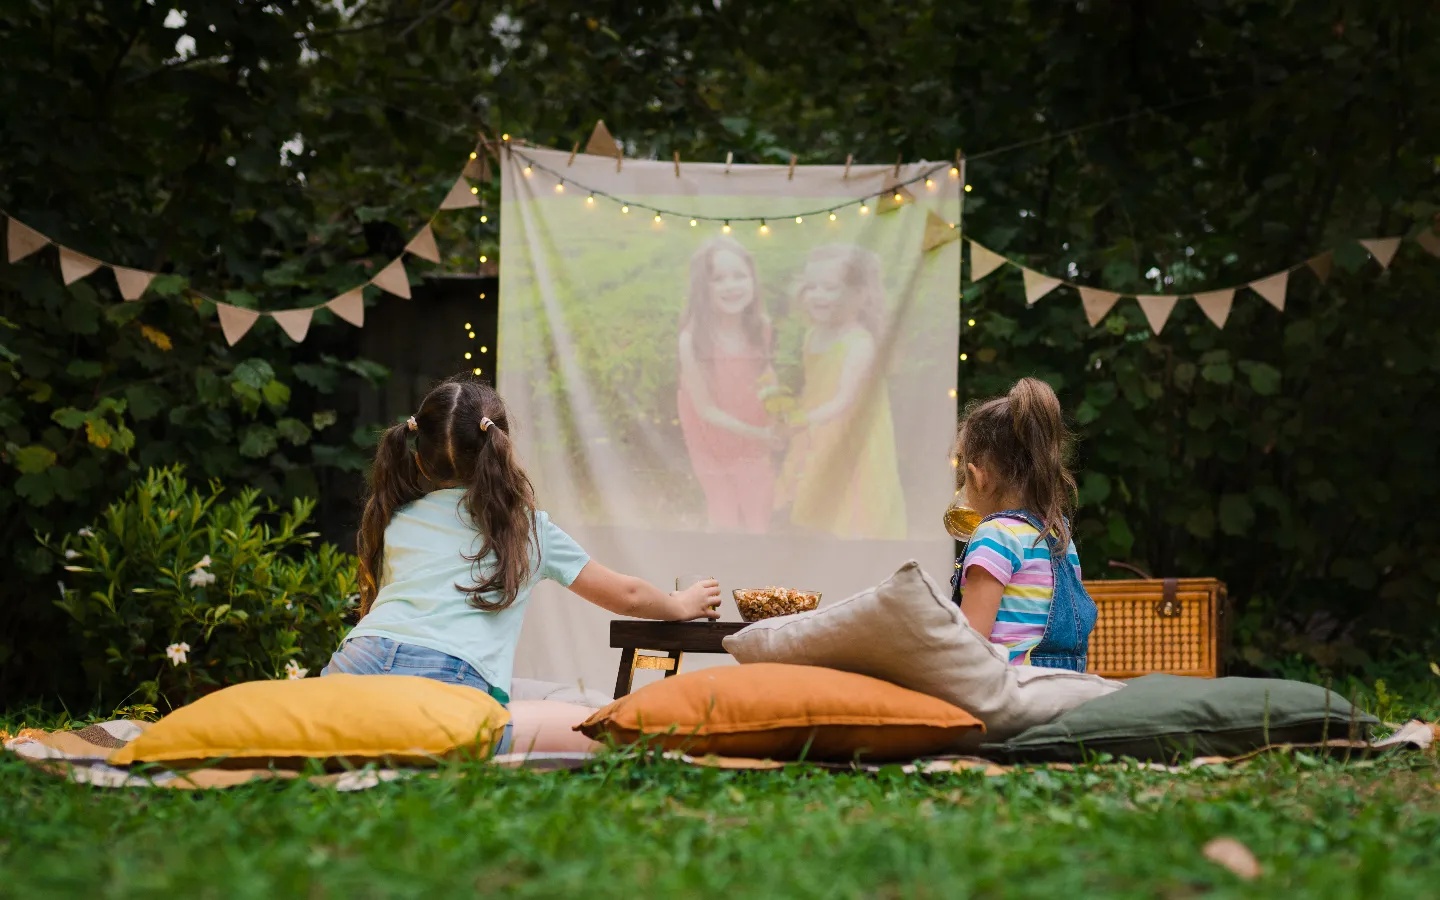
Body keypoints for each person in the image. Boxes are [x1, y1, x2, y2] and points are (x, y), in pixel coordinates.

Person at [322, 376, 722, 753]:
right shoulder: (524, 529)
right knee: (604, 731)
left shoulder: (398, 519)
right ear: (501, 446)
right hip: (447, 684)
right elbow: (627, 595)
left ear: (421, 459)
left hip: (353, 666)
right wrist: (680, 604)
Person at [951, 377, 1097, 671]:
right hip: (1062, 689)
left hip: (1012, 694)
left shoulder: (995, 535)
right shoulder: (1057, 534)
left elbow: (970, 646)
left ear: (978, 476)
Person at [778, 244, 906, 539]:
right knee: (818, 500)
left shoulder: (859, 343)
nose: (818, 295)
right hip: (819, 425)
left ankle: (851, 553)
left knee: (851, 500)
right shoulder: (813, 334)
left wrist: (803, 419)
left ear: (859, 295)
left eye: (830, 287)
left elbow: (844, 401)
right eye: (812, 287)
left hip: (852, 432)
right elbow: (816, 385)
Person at [677, 236, 779, 532]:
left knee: (758, 500)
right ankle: (720, 568)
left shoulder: (760, 326)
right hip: (711, 433)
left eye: (739, 276)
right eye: (718, 279)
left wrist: (776, 415)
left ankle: (760, 569)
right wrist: (758, 433)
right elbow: (706, 410)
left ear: (752, 280)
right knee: (723, 507)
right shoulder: (692, 340)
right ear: (702, 289)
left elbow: (766, 375)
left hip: (753, 422)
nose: (731, 286)